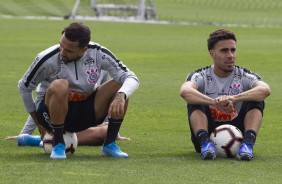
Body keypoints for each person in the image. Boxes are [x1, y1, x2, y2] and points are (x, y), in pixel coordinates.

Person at [18, 22, 139, 159]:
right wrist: (40, 125)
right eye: (61, 46)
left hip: (83, 112)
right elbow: (24, 87)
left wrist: (121, 95)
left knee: (121, 86)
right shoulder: (47, 58)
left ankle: (108, 145)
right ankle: (57, 143)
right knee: (60, 85)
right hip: (51, 115)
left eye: (69, 50)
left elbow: (131, 77)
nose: (62, 52)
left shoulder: (98, 53)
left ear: (83, 50)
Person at [180, 29, 271, 161]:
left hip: (239, 132)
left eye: (233, 50)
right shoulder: (201, 75)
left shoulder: (244, 75)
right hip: (208, 129)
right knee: (194, 98)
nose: (230, 55)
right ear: (212, 53)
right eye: (224, 50)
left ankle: (247, 145)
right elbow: (185, 91)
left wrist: (233, 98)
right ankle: (206, 144)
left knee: (256, 99)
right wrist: (214, 102)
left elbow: (265, 89)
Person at [7, 71, 130, 146]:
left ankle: (47, 140)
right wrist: (25, 133)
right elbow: (41, 105)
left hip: (79, 118)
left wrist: (114, 134)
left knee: (106, 131)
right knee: (101, 132)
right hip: (55, 121)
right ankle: (42, 139)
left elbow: (103, 101)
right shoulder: (53, 65)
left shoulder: (99, 65)